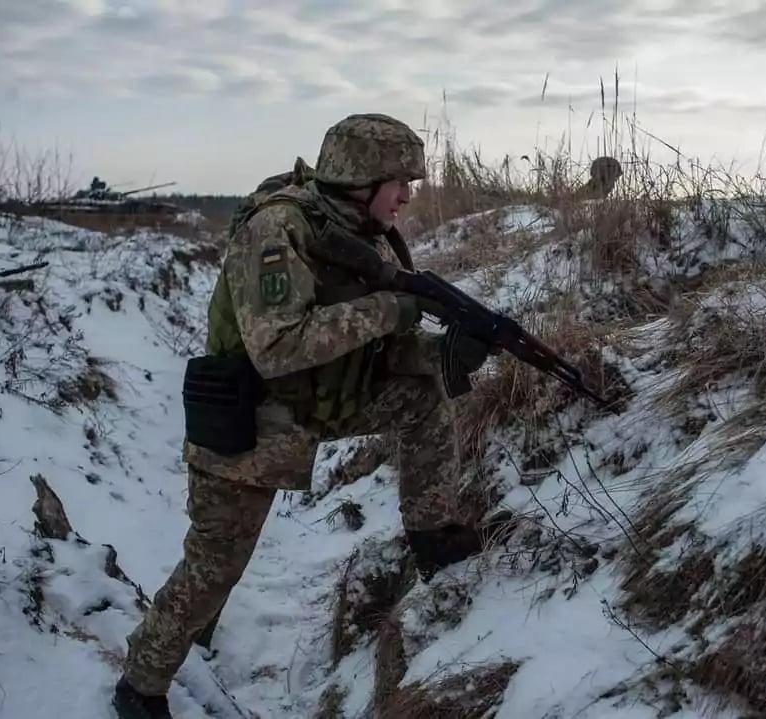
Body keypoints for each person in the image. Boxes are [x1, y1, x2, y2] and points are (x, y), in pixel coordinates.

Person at [111, 113, 509, 718]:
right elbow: (279, 347)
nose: (409, 194)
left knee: (425, 395)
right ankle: (141, 684)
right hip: (252, 420)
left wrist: (443, 353)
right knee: (214, 568)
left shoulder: (359, 231)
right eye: (402, 180)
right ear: (363, 177)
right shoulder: (277, 230)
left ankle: (431, 534)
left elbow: (369, 337)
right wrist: (392, 311)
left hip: (321, 403)